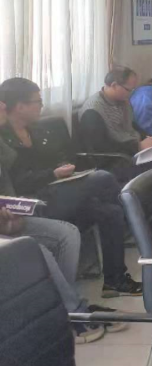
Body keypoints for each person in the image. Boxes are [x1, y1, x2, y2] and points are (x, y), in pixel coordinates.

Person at [0, 78, 142, 297]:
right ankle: (140, 225)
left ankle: (115, 281)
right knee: (103, 178)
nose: (41, 106)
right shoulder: (4, 140)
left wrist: (64, 168)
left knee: (111, 212)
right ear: (20, 106)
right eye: (37, 102)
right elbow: (16, 183)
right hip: (31, 201)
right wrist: (52, 174)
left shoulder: (37, 131)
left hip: (56, 190)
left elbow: (57, 158)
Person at [0, 109, 125, 344]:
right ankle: (74, 311)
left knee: (67, 233)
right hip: (15, 213)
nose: (3, 108)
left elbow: (10, 186)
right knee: (37, 250)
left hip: (10, 216)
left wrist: (12, 208)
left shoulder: (7, 143)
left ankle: (62, 306)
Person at [80, 67, 152, 184]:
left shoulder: (122, 101)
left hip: (132, 152)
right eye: (129, 89)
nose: (131, 93)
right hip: (118, 160)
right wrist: (137, 146)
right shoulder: (92, 111)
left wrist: (151, 139)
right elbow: (100, 150)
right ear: (114, 85)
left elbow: (133, 126)